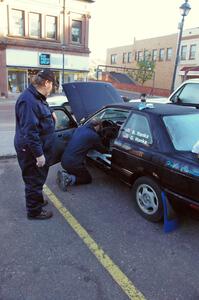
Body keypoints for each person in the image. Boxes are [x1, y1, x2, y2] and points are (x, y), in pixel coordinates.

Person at [14, 69, 58, 220]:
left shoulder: (37, 96)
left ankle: (37, 200)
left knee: (38, 179)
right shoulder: (29, 100)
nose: (52, 88)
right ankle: (34, 211)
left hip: (39, 146)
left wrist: (51, 113)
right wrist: (39, 155)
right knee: (34, 180)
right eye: (52, 85)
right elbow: (30, 132)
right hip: (31, 151)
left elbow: (41, 109)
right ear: (46, 83)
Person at [56, 119, 107, 191]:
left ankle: (65, 173)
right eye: (100, 127)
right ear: (97, 126)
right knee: (87, 178)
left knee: (78, 169)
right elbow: (102, 150)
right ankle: (68, 178)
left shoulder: (80, 128)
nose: (100, 130)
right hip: (73, 164)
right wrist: (110, 149)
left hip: (64, 161)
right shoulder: (94, 135)